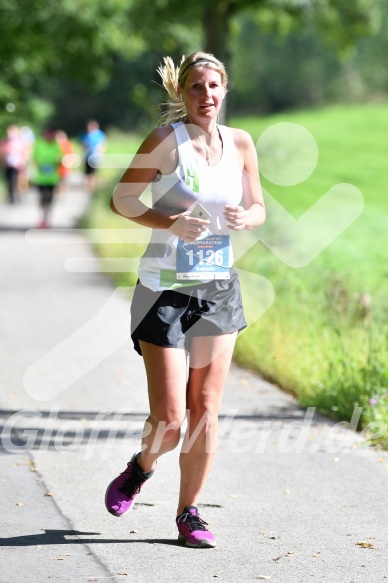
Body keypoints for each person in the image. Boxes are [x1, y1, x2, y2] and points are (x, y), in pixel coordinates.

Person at [105, 51, 266, 548]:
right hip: (164, 291)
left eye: (213, 86)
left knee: (205, 410)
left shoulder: (240, 143)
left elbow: (258, 205)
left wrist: (248, 218)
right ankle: (141, 466)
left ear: (224, 91)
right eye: (196, 87)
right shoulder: (165, 142)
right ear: (183, 93)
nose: (206, 95)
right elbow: (123, 199)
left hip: (218, 288)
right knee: (172, 420)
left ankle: (188, 514)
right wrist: (168, 221)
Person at [33, 128, 62, 228]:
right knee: (42, 199)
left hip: (52, 178)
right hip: (41, 178)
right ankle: (42, 219)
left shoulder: (55, 146)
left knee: (49, 200)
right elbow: (35, 158)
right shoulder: (39, 144)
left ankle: (48, 219)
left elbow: (60, 159)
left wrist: (58, 160)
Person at [0, 125, 28, 204]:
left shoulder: (20, 142)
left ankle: (17, 196)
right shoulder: (5, 142)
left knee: (16, 181)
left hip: (17, 166)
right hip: (8, 165)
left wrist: (22, 161)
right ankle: (11, 197)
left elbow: (25, 152)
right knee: (9, 181)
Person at [81, 120, 106, 193]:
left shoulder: (99, 135)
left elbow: (102, 145)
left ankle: (93, 189)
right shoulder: (88, 135)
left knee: (93, 173)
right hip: (88, 156)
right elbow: (84, 145)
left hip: (95, 157)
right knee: (87, 173)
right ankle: (89, 188)